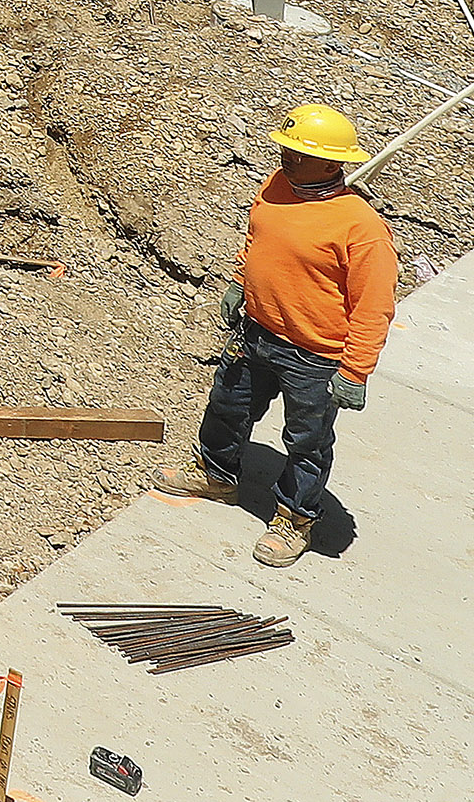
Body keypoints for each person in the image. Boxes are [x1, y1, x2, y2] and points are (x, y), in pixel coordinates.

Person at [161, 103, 398, 568]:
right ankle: (217, 473)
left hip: (314, 355)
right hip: (257, 330)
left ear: (333, 162)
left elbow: (374, 306)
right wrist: (239, 283)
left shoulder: (361, 227)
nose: (287, 158)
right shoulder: (275, 186)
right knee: (228, 405)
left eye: (300, 153)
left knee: (306, 440)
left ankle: (296, 516)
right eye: (285, 148)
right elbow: (257, 241)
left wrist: (355, 370)